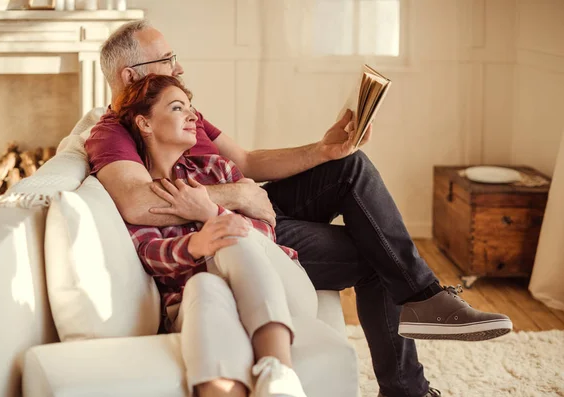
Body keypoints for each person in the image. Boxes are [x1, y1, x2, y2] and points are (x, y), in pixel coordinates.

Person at [86, 20, 513, 397]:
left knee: (349, 164)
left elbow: (248, 162)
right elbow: (139, 201)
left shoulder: (181, 111)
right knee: (377, 251)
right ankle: (408, 384)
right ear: (131, 75)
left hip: (256, 209)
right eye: (167, 58)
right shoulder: (114, 132)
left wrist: (323, 149)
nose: (179, 67)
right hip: (239, 227)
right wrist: (237, 197)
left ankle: (426, 298)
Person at [116, 73, 318, 397]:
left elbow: (265, 226)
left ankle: (278, 370)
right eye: (178, 107)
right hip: (200, 303)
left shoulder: (217, 169)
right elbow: (146, 253)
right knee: (202, 283)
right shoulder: (140, 195)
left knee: (229, 234)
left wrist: (211, 213)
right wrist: (195, 244)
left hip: (281, 289)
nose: (194, 115)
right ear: (145, 123)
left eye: (190, 107)